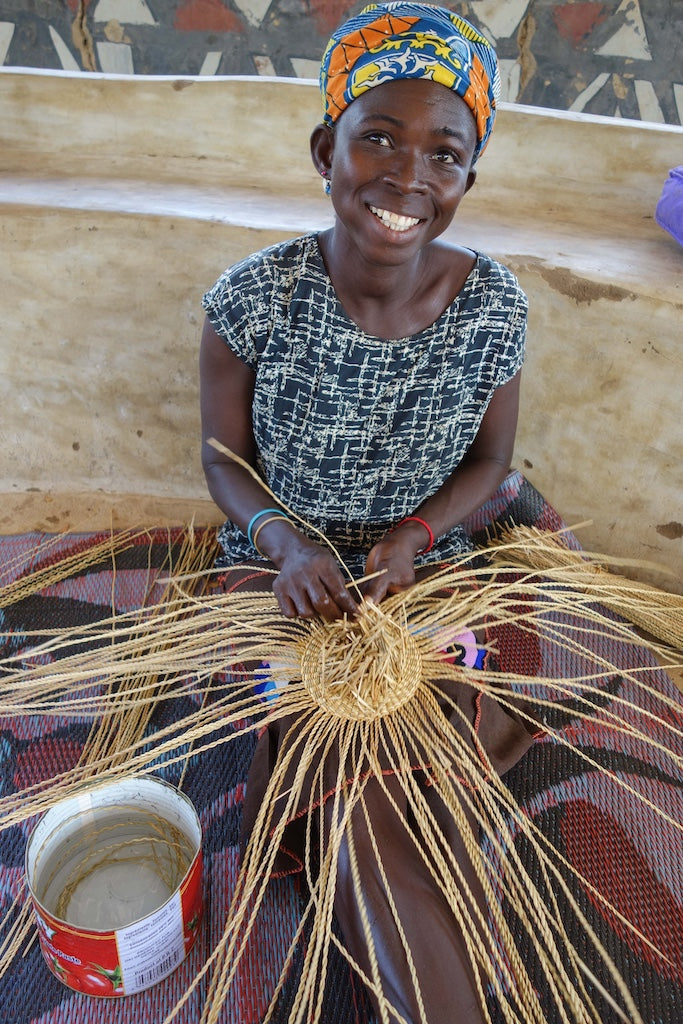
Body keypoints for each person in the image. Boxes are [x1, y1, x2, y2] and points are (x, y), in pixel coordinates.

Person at [199, 5, 537, 1021]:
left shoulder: (493, 309)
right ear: (325, 151)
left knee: (410, 724)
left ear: (466, 179)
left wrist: (411, 538)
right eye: (378, 138)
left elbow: (492, 462)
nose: (406, 177)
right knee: (337, 737)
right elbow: (222, 462)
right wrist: (286, 543)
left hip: (422, 560)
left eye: (444, 154)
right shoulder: (254, 298)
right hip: (282, 561)